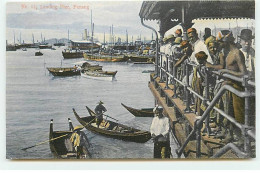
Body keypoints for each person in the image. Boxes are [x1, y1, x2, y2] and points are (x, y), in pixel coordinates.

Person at [217, 31, 247, 145]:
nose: (220, 44)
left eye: (221, 42)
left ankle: (243, 140)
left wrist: (225, 71)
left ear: (226, 41)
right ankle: (230, 134)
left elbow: (244, 73)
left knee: (238, 114)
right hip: (229, 87)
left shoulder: (236, 53)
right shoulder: (228, 53)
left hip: (237, 88)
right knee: (229, 113)